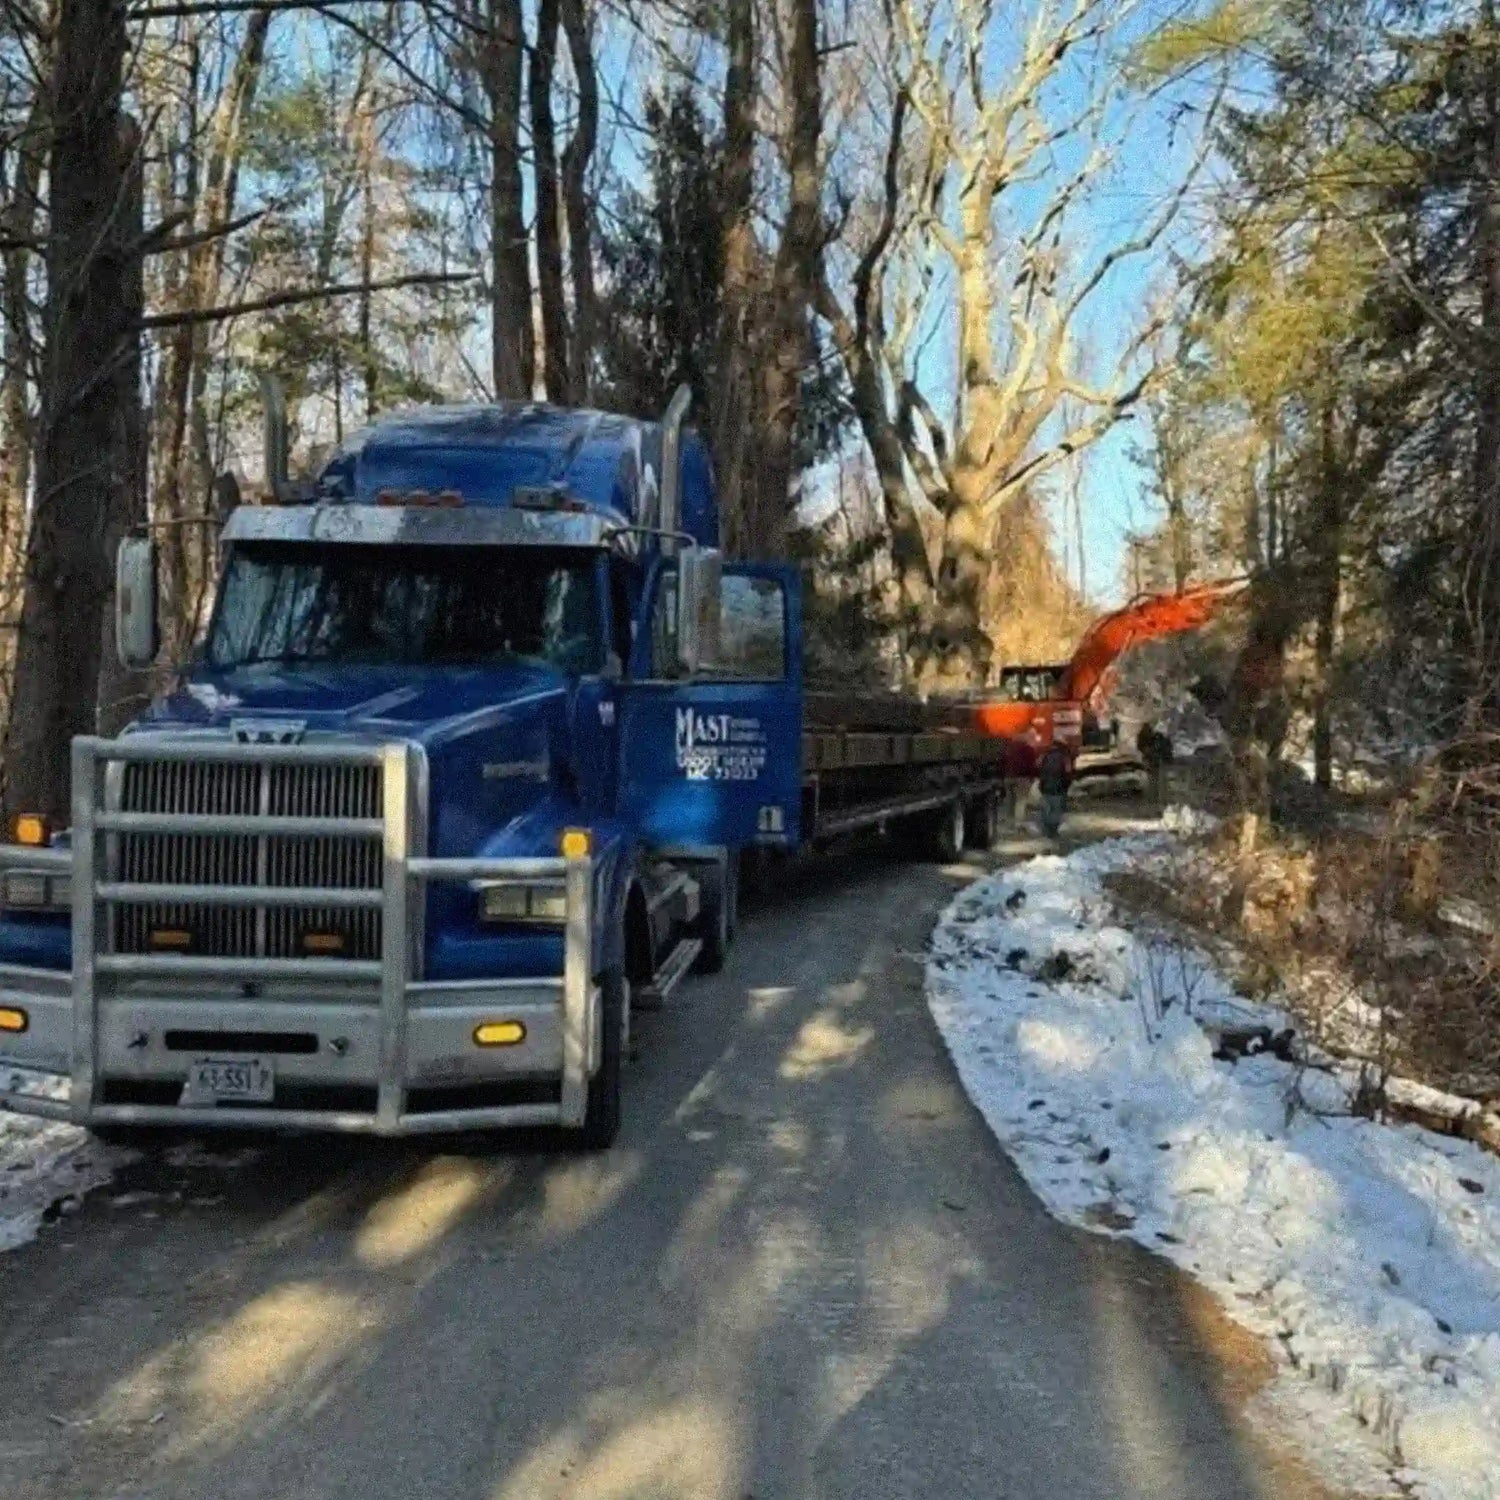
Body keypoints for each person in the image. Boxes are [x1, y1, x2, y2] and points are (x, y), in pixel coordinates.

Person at [1036, 742, 1071, 838]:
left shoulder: (1044, 757)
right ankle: (1053, 830)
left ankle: (1046, 828)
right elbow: (1068, 772)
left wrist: (1041, 785)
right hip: (1059, 788)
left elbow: (1038, 769)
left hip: (1045, 787)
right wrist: (1067, 785)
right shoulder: (1064, 758)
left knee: (1046, 808)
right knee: (1056, 809)